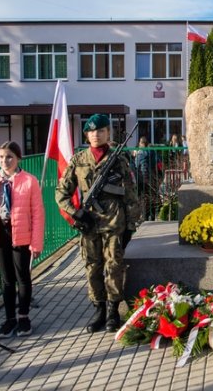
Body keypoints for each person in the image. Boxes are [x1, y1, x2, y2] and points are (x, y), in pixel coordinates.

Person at [55, 114, 140, 333]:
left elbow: (130, 194)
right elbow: (61, 193)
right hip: (89, 224)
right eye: (91, 132)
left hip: (114, 223)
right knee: (93, 267)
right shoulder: (78, 160)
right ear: (86, 135)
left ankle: (113, 311)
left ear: (107, 133)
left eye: (100, 131)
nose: (96, 135)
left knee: (113, 267)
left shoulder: (119, 159)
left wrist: (131, 225)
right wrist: (76, 213)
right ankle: (98, 310)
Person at [0, 141, 45, 338]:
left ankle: (23, 317)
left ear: (18, 158)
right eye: (1, 157)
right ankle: (9, 319)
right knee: (7, 280)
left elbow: (38, 214)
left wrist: (36, 243)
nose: (4, 161)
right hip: (0, 233)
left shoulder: (29, 181)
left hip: (21, 233)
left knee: (22, 277)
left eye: (9, 157)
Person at [134, 136, 159, 221]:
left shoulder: (140, 153)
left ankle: (145, 217)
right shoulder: (151, 151)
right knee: (151, 196)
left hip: (142, 176)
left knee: (144, 197)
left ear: (141, 143)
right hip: (151, 175)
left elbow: (136, 165)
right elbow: (155, 162)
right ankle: (152, 216)